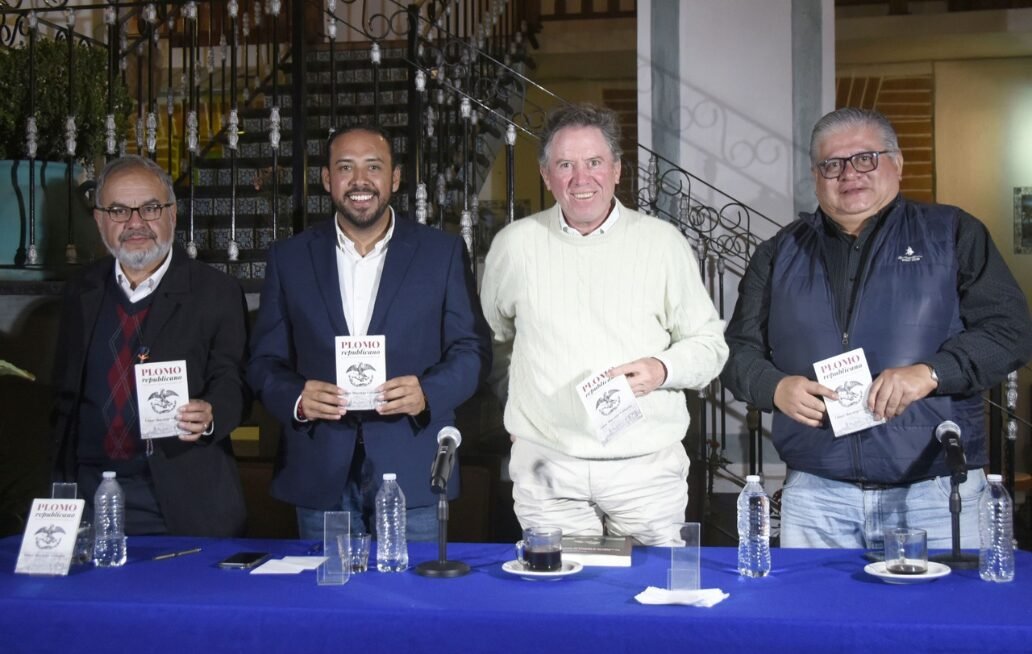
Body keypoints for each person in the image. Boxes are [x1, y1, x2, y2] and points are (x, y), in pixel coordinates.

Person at [721, 107, 1032, 549]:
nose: (849, 174)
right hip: (816, 497)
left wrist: (933, 372)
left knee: (937, 619)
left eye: (866, 158)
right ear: (816, 175)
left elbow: (1010, 331)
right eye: (833, 164)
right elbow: (736, 352)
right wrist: (772, 386)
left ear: (897, 164)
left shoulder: (953, 233)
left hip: (934, 492)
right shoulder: (777, 253)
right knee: (815, 618)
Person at [480, 103, 728, 545]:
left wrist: (662, 369)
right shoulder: (513, 246)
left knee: (649, 599)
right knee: (559, 601)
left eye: (594, 162)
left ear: (616, 170)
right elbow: (497, 340)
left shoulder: (663, 244)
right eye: (565, 165)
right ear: (546, 175)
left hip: (645, 469)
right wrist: (521, 411)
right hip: (548, 467)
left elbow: (710, 345)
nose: (581, 179)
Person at [248, 125, 491, 541]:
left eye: (373, 167)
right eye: (345, 167)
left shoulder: (441, 253)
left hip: (413, 466)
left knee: (412, 601)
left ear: (394, 179)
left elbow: (472, 351)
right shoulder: (289, 259)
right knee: (330, 602)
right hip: (319, 468)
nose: (359, 181)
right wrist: (298, 399)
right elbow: (263, 361)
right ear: (328, 179)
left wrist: (427, 393)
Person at [51, 155, 250, 537]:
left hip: (181, 497)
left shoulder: (216, 292)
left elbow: (234, 380)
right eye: (119, 210)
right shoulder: (80, 292)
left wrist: (211, 416)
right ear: (99, 220)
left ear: (172, 214)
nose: (135, 223)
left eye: (150, 208)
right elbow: (63, 397)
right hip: (87, 496)